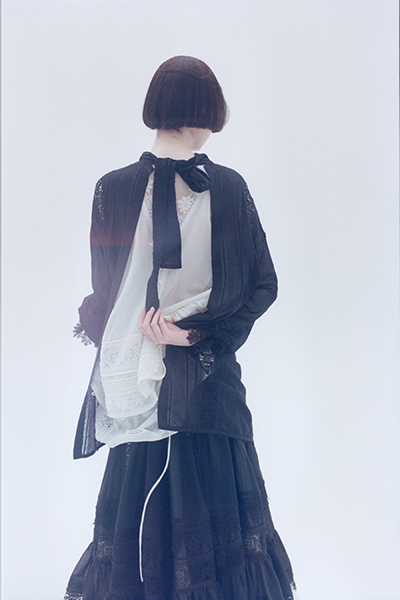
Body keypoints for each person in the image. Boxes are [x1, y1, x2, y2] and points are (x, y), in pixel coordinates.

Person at [64, 55, 296, 600]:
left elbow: (104, 294)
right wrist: (190, 335)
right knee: (212, 516)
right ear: (205, 110)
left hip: (150, 386)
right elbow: (262, 285)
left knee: (142, 513)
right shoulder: (218, 187)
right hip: (190, 383)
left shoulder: (128, 188)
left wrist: (167, 335)